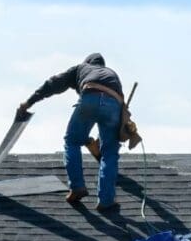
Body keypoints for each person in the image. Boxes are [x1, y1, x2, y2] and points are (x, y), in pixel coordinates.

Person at [17, 53, 125, 213]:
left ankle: (77, 187)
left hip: (90, 97)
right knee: (109, 153)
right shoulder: (112, 74)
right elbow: (118, 108)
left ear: (88, 62)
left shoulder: (82, 68)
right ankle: (106, 200)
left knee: (72, 142)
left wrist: (29, 102)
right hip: (114, 105)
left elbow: (53, 84)